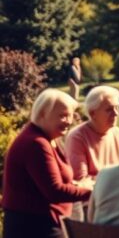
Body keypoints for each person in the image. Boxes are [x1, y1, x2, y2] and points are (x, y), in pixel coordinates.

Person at [1, 89, 92, 237]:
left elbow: (49, 181)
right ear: (42, 114)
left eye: (70, 115)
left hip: (41, 223)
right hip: (33, 228)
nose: (69, 121)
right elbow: (54, 191)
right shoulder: (36, 143)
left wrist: (77, 185)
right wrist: (92, 192)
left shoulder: (48, 137)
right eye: (62, 116)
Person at [65, 86, 119, 221]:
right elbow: (82, 181)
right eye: (109, 109)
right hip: (97, 206)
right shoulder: (78, 137)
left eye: (117, 108)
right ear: (93, 113)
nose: (116, 113)